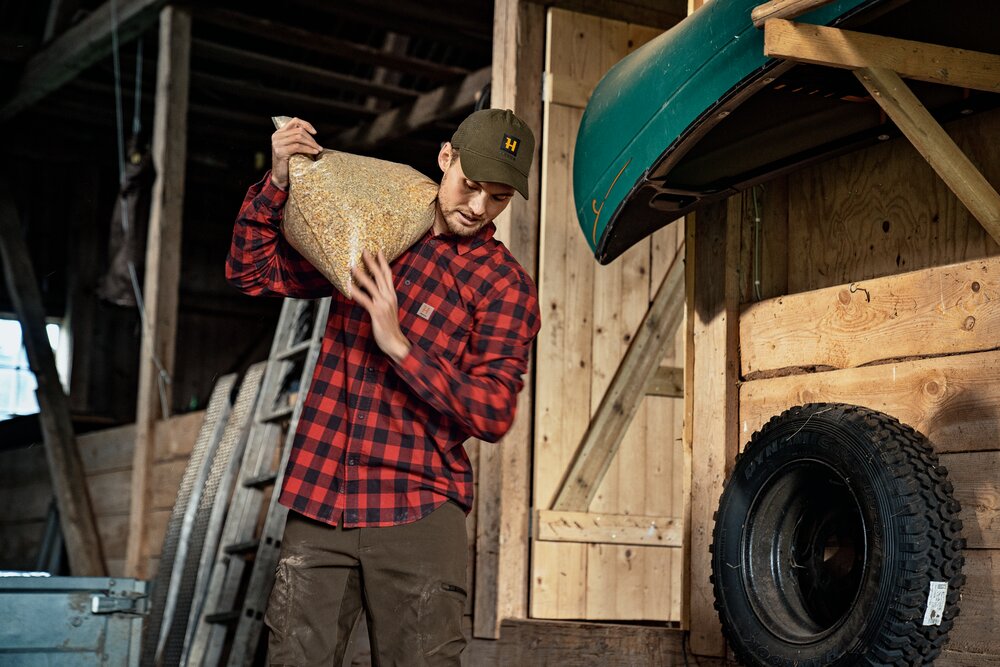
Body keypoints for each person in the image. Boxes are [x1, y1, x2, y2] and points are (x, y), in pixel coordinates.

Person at [225, 108, 541, 665]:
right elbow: (251, 273)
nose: (477, 207)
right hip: (321, 499)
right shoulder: (375, 230)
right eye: (471, 186)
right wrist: (276, 182)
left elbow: (494, 411)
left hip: (417, 510)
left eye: (497, 198)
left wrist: (399, 345)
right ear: (447, 159)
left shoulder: (504, 285)